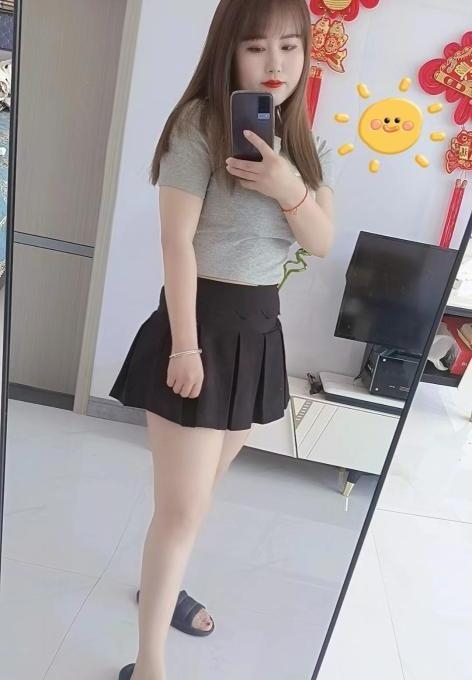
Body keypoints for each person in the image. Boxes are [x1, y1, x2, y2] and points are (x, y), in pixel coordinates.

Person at [110, 0, 335, 678]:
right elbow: (175, 243)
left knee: (198, 497)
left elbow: (321, 241)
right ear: (228, 50)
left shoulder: (304, 147)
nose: (275, 63)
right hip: (199, 324)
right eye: (256, 46)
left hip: (258, 332)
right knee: (181, 511)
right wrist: (184, 346)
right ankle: (149, 664)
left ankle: (163, 586)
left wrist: (288, 185)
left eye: (290, 46)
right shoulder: (201, 125)